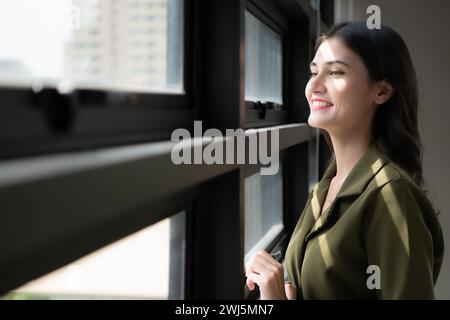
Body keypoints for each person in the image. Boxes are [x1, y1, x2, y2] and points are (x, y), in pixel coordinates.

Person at [245, 21, 444, 300]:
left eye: (335, 72)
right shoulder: (329, 185)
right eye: (314, 72)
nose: (314, 85)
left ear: (381, 91)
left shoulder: (390, 195)